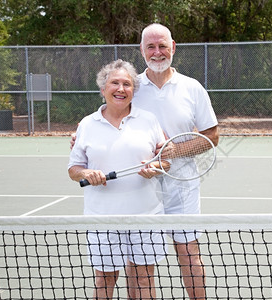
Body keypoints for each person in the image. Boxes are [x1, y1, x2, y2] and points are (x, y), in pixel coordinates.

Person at [71, 24, 219, 299]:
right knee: (136, 264)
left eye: (162, 45)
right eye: (150, 46)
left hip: (180, 188)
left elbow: (212, 137)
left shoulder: (192, 88)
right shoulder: (131, 85)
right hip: (137, 190)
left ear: (173, 47)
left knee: (188, 251)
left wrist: (172, 152)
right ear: (142, 50)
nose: (157, 52)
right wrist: (79, 134)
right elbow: (106, 115)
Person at [68, 59, 167, 299]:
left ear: (134, 90)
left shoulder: (149, 120)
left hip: (146, 216)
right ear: (103, 89)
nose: (121, 89)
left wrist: (156, 167)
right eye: (115, 83)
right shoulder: (87, 124)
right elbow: (73, 168)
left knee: (143, 278)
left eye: (127, 84)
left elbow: (165, 159)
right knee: (104, 279)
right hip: (102, 219)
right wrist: (86, 174)